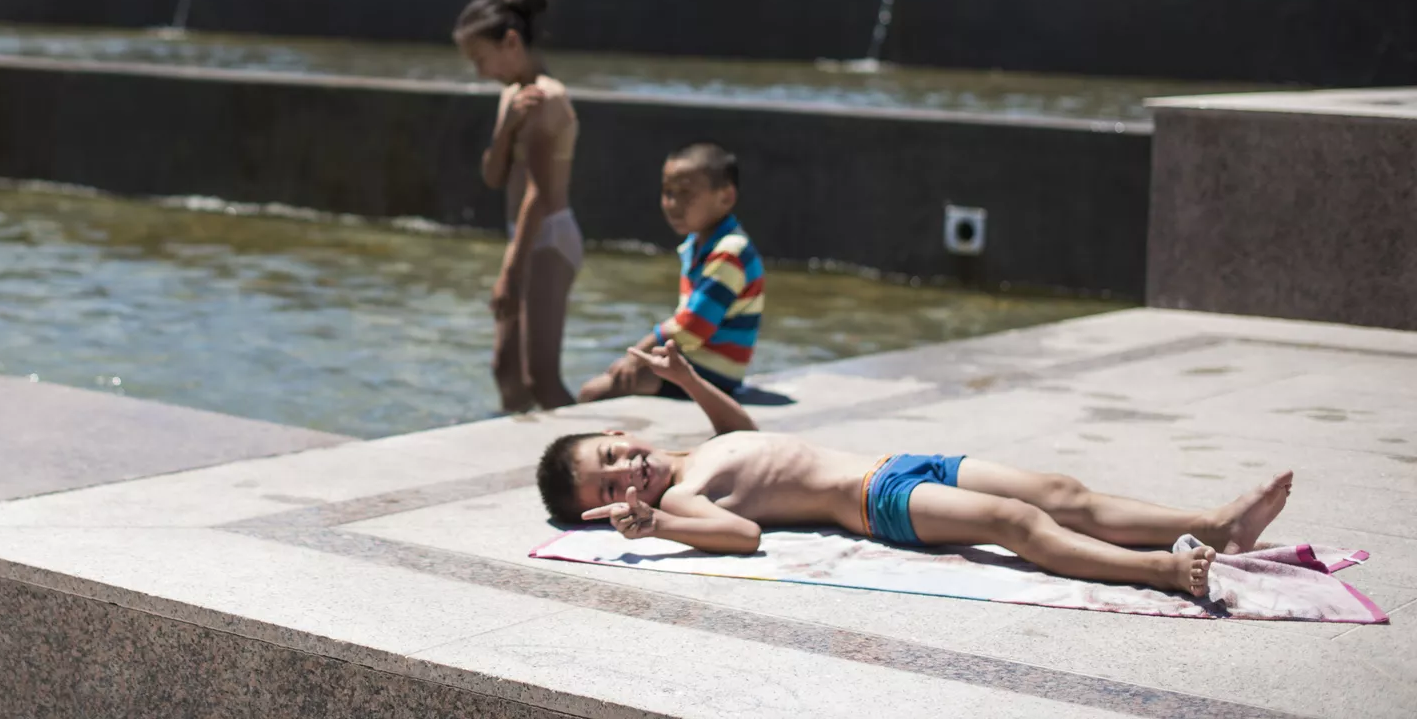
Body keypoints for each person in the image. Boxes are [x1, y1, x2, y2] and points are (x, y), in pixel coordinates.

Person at [538, 343, 1295, 597]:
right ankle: (1163, 570)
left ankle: (1214, 525)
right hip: (876, 500)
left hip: (900, 462)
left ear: (617, 432)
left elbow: (743, 433)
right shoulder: (686, 495)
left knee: (1062, 492)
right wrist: (657, 524)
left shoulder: (693, 452)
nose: (626, 475)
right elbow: (741, 536)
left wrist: (689, 379)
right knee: (1016, 523)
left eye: (612, 458)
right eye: (609, 490)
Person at [455, 0, 580, 412]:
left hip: (548, 239)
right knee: (505, 371)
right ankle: (525, 449)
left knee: (540, 379)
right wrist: (507, 127)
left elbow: (540, 194)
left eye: (480, 59)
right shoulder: (512, 97)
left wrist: (510, 270)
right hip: (523, 239)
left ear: (510, 42)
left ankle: (593, 447)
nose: (479, 72)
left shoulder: (547, 98)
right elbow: (494, 176)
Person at [578, 143, 761, 402]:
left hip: (711, 376)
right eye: (668, 192)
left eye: (686, 194)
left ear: (726, 197)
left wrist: (637, 355)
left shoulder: (730, 252)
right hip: (698, 366)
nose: (673, 204)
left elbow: (693, 326)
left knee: (594, 392)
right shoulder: (700, 246)